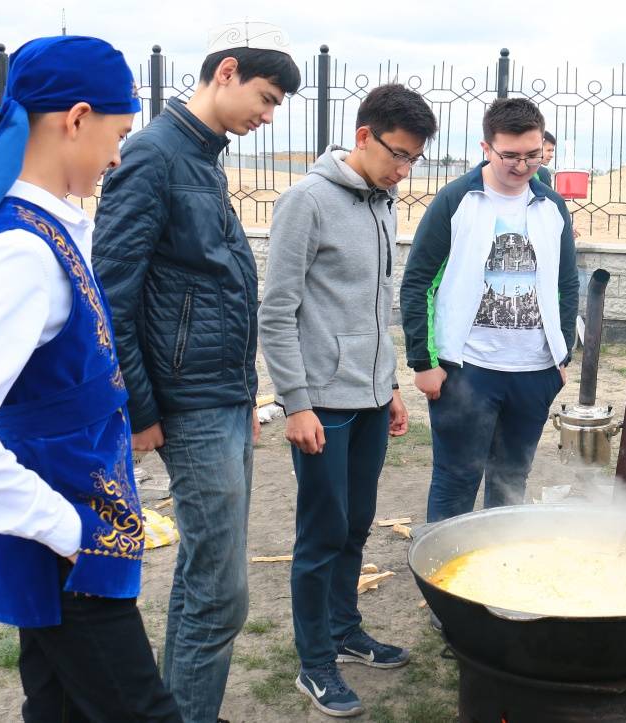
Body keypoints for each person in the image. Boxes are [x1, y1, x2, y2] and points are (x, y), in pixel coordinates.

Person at [0, 36, 180, 721]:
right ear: (77, 117)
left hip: (79, 525)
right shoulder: (21, 252)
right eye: (119, 133)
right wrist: (59, 524)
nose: (120, 154)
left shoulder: (53, 227)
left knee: (60, 706)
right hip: (68, 543)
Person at [92, 21, 301, 722]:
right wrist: (141, 408)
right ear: (226, 72)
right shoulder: (154, 155)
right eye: (266, 99)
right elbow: (111, 296)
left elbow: (210, 286)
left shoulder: (201, 155)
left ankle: (178, 710)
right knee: (221, 588)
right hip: (185, 404)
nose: (267, 118)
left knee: (203, 574)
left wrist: (244, 394)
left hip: (220, 397)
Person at [259, 83, 436, 717]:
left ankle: (344, 630)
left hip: (366, 398)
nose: (404, 170)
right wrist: (296, 402)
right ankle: (314, 663)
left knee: (357, 521)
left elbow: (374, 307)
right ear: (363, 137)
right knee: (321, 531)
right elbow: (277, 313)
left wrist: (387, 384)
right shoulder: (306, 201)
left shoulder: (382, 202)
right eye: (398, 155)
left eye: (414, 160)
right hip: (321, 403)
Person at [400, 97, 578, 523]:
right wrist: (424, 362)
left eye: (532, 155)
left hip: (534, 372)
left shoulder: (551, 206)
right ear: (486, 148)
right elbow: (419, 282)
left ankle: (496, 576)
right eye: (510, 155)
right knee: (456, 479)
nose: (522, 165)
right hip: (466, 370)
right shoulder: (456, 200)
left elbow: (566, 283)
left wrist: (561, 353)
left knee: (511, 481)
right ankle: (443, 579)